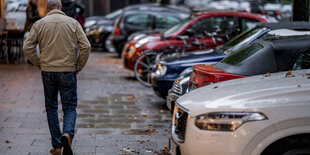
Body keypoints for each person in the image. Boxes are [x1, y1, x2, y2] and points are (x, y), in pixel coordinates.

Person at [22, 0, 91, 154]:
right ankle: (67, 134)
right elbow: (86, 46)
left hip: (48, 71)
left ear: (47, 9)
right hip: (68, 70)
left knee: (51, 107)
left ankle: (57, 145)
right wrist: (78, 66)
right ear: (60, 7)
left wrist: (39, 63)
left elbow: (27, 47)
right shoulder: (72, 23)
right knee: (69, 107)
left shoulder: (39, 24)